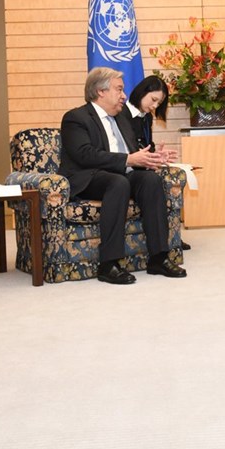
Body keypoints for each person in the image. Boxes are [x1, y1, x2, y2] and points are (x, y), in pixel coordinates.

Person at [59, 67, 187, 285]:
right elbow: (84, 154)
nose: (124, 96)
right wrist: (128, 160)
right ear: (101, 91)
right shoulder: (76, 118)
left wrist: (152, 157)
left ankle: (158, 257)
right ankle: (108, 263)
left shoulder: (121, 119)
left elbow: (134, 151)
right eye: (119, 89)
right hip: (89, 177)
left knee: (151, 180)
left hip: (120, 174)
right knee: (117, 183)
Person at [120, 75, 192, 251]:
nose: (154, 106)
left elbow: (146, 145)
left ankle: (172, 235)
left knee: (169, 178)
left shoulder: (146, 117)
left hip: (142, 168)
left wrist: (157, 155)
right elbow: (124, 149)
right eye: (153, 100)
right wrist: (149, 158)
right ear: (142, 92)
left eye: (158, 103)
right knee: (154, 182)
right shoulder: (120, 114)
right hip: (124, 171)